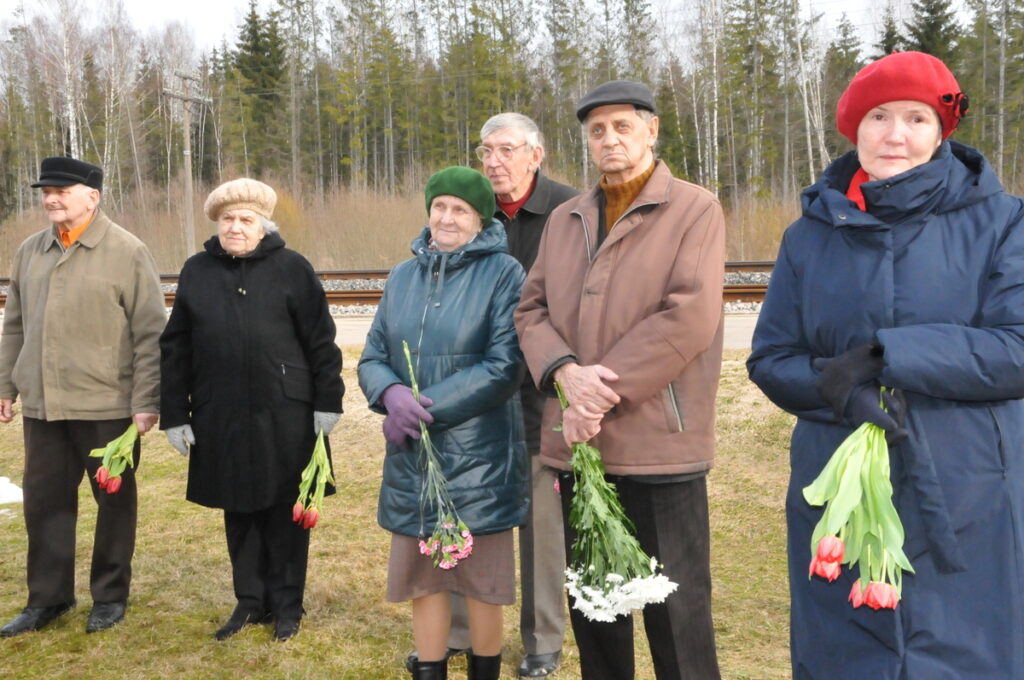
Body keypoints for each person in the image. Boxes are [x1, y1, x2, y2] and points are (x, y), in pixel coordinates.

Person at [747, 51, 1024, 679]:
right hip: (837, 485)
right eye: (878, 116)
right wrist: (840, 391)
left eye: (916, 118)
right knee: (845, 653)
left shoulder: (1004, 222)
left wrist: (886, 356)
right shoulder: (809, 234)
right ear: (854, 126)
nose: (895, 135)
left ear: (941, 131)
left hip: (965, 486)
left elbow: (1017, 348)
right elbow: (771, 357)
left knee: (964, 653)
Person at [515, 80, 724, 680]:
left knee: (677, 611)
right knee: (597, 610)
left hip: (661, 442)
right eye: (597, 130)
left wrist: (594, 391)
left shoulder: (694, 209)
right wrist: (564, 374)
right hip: (582, 449)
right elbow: (530, 312)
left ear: (652, 131)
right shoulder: (566, 218)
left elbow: (689, 316)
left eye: (622, 127)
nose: (609, 139)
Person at [412, 113, 577, 679]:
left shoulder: (569, 211)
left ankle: (541, 642)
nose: (494, 160)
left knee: (539, 531)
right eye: (486, 149)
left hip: (538, 397)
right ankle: (457, 632)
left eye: (507, 149)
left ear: (537, 154)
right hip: (469, 403)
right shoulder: (469, 210)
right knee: (461, 521)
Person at [359, 166, 529, 680]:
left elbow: (504, 367)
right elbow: (372, 354)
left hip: (480, 456)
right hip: (413, 457)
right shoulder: (402, 275)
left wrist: (421, 406)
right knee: (423, 578)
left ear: (480, 219)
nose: (447, 218)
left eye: (460, 209)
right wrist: (389, 393)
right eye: (439, 207)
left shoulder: (505, 273)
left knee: (481, 584)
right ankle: (430, 669)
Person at [159, 178, 343, 642]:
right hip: (219, 412)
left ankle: (287, 607)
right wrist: (174, 413)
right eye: (228, 220)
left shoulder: (293, 268)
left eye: (245, 220)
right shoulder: (197, 270)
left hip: (285, 412)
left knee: (285, 509)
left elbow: (320, 341)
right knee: (238, 510)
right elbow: (176, 345)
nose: (235, 228)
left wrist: (328, 401)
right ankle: (249, 602)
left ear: (263, 226)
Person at [0, 157, 166, 636]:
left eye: (61, 190)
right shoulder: (30, 251)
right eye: (46, 191)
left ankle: (110, 596)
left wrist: (147, 399)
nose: (51, 198)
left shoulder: (127, 251)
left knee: (114, 504)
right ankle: (47, 600)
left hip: (107, 405)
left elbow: (150, 333)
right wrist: (6, 384)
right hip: (44, 406)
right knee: (45, 503)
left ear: (92, 196)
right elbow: (13, 324)